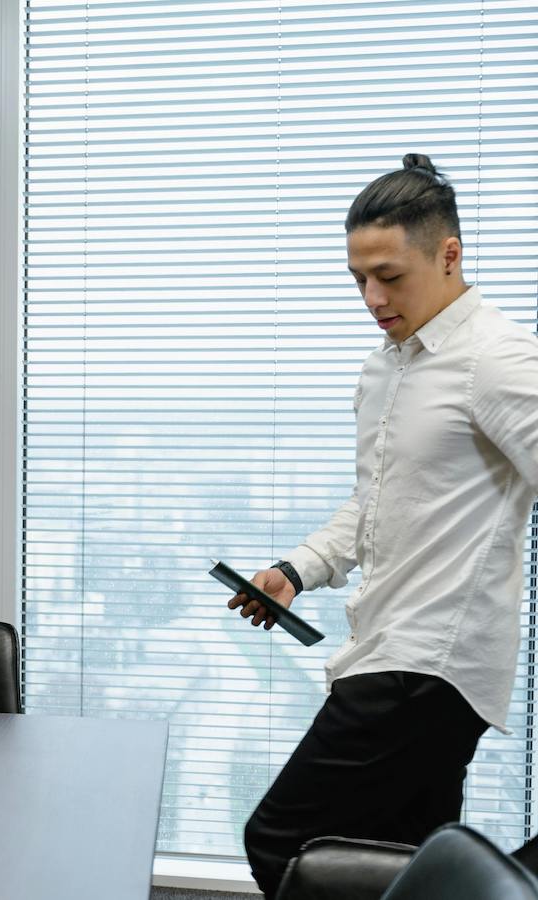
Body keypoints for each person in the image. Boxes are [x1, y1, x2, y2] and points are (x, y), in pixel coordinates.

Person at [230, 154, 538, 896]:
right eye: (357, 279)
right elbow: (373, 505)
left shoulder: (496, 359)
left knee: (282, 839)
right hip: (391, 646)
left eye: (390, 276)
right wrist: (296, 570)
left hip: (429, 663)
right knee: (411, 868)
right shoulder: (389, 369)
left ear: (449, 254)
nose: (371, 296)